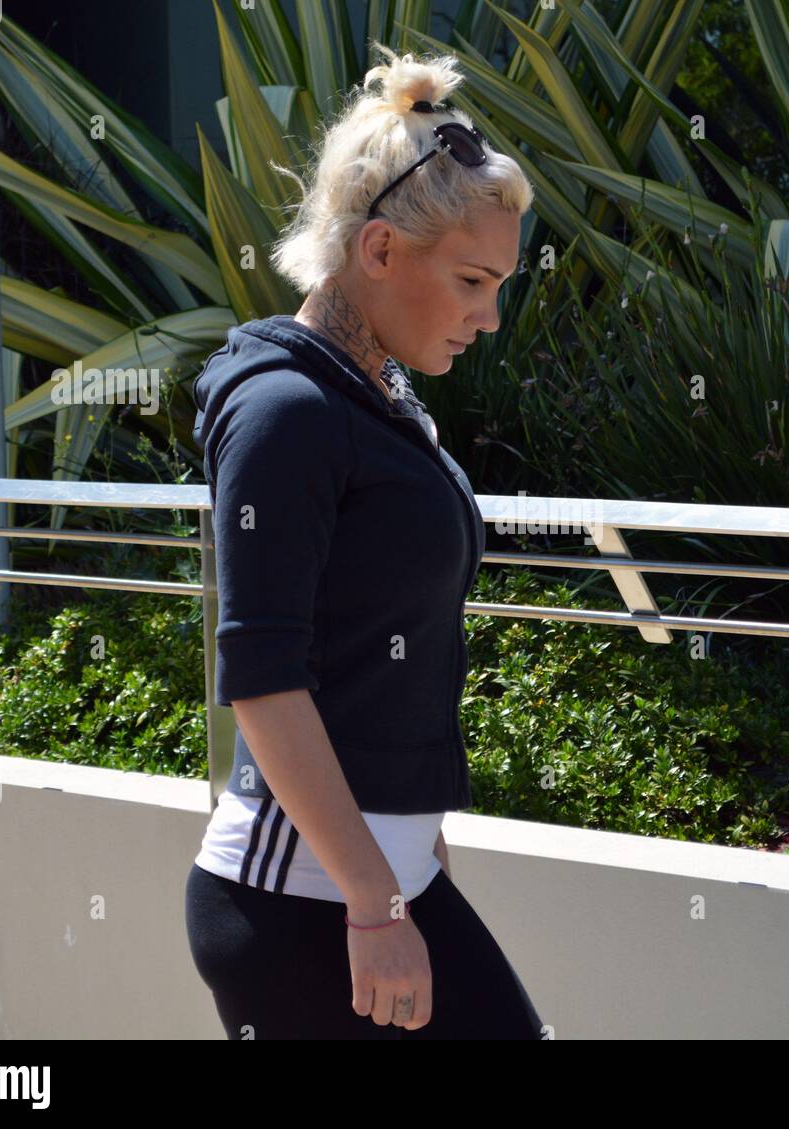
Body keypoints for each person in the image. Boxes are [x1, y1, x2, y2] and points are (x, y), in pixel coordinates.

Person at [183, 41, 542, 1039]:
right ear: (379, 251)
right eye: (473, 280)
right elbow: (262, 676)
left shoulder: (376, 399)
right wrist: (375, 902)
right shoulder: (286, 412)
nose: (490, 316)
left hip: (376, 884)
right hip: (303, 905)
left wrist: (406, 865)